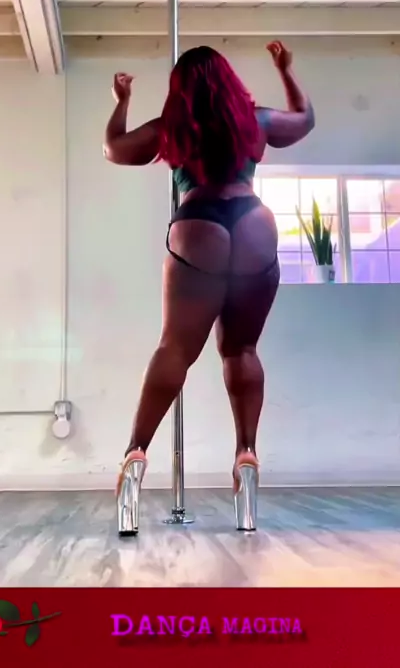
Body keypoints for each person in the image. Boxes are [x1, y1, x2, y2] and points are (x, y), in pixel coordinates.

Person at [103, 41, 315, 535]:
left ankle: (135, 455)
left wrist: (122, 102)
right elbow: (304, 120)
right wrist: (286, 71)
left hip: (198, 220)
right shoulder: (254, 120)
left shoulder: (172, 126)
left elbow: (114, 149)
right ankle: (246, 454)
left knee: (175, 349)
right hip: (254, 220)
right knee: (241, 349)